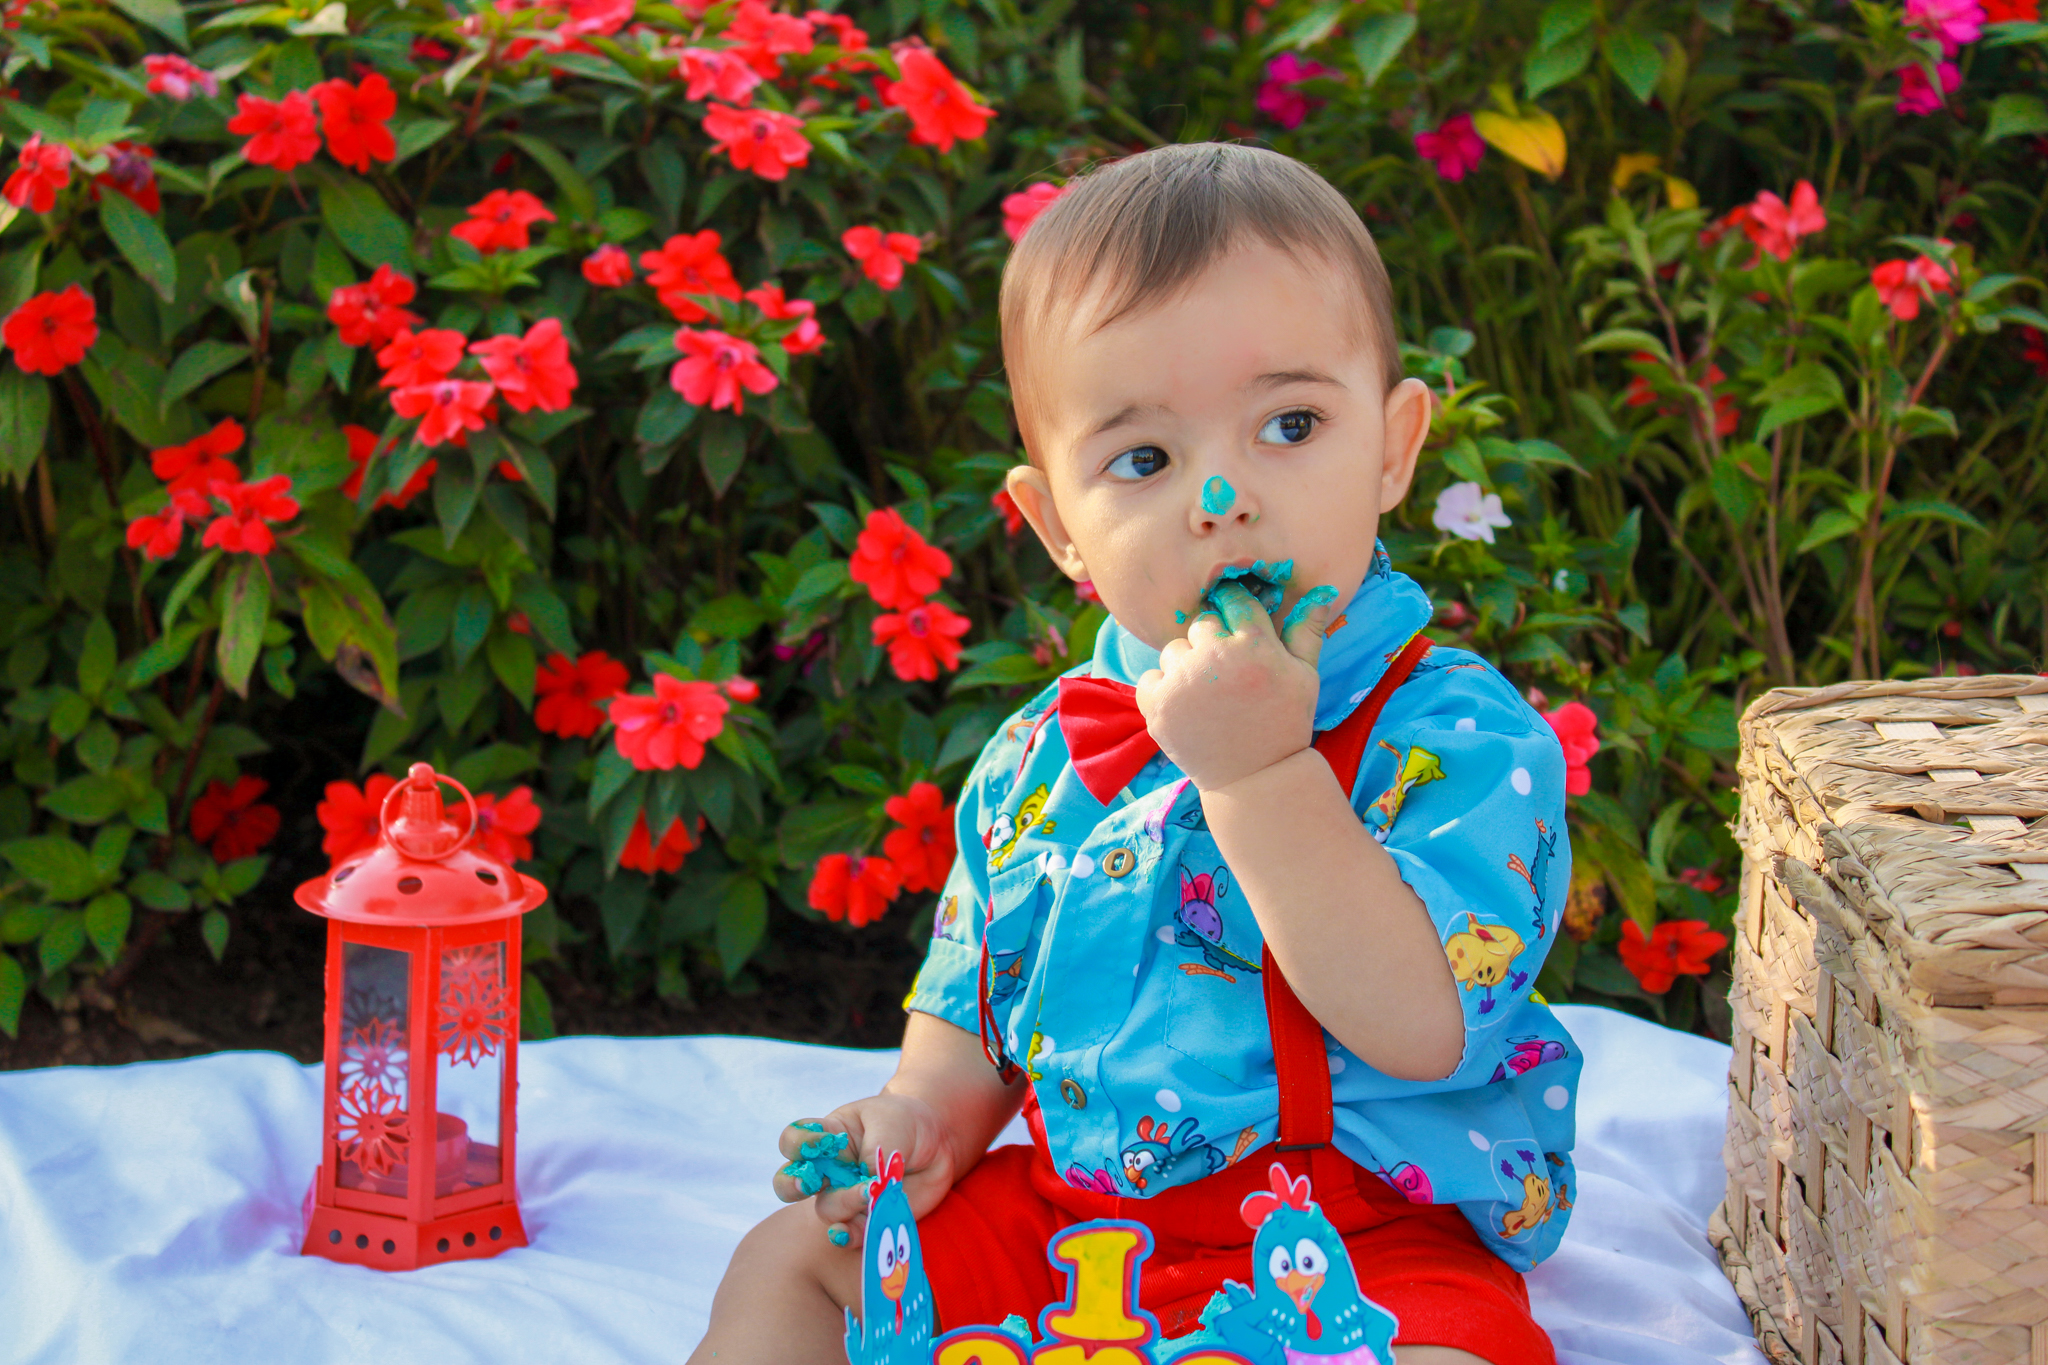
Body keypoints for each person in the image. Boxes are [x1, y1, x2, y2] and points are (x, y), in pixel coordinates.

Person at [690, 142, 1580, 1365]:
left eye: (1289, 423)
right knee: (790, 1262)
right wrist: (918, 1125)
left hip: (1364, 1242)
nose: (1219, 495)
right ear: (1056, 523)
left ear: (1391, 443)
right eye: (1144, 460)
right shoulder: (1035, 758)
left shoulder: (1459, 738)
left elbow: (1422, 1026)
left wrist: (1259, 775)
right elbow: (970, 1033)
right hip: (1082, 1231)